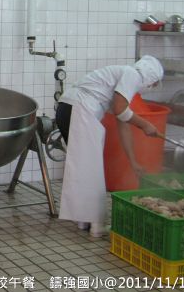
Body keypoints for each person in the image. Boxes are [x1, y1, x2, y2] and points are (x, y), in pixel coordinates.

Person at [55, 55, 164, 237]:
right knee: (92, 169)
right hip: (80, 109)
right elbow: (121, 110)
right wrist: (145, 125)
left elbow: (123, 124)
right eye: (153, 84)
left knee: (84, 167)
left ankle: (84, 220)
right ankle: (96, 225)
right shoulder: (132, 75)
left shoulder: (122, 79)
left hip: (68, 108)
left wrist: (133, 162)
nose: (150, 88)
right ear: (150, 78)